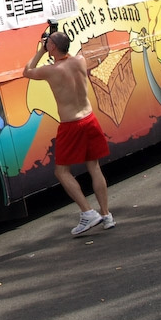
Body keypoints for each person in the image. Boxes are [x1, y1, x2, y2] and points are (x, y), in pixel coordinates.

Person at [23, 30, 114, 236]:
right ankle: (106, 215)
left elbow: (27, 71)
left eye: (49, 43)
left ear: (52, 47)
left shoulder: (51, 70)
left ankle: (88, 212)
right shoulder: (80, 60)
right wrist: (52, 44)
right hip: (89, 119)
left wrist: (41, 50)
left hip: (71, 124)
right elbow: (65, 54)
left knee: (62, 172)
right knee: (94, 167)